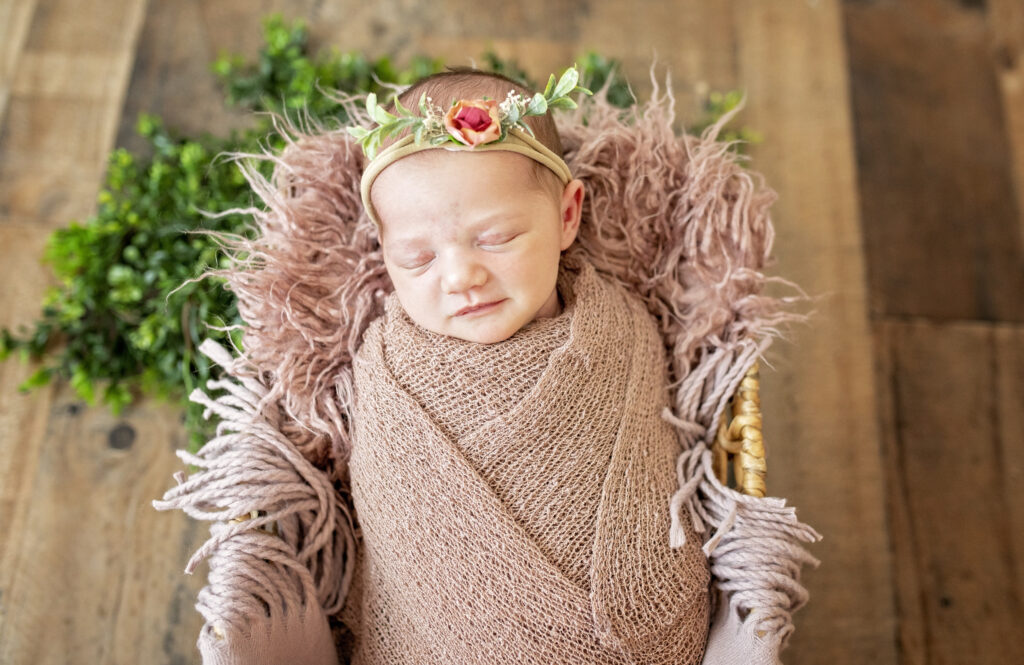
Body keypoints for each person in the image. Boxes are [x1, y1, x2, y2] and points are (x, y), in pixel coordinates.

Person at [339, 66, 712, 664]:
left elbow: (657, 472)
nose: (460, 276)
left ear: (567, 217)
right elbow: (396, 534)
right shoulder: (387, 370)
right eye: (418, 257)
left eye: (497, 237)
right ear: (385, 254)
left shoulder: (621, 331)